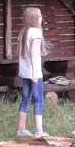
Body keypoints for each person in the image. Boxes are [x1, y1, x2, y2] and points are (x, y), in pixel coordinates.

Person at [16, 7, 49, 138]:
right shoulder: (36, 31)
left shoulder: (23, 32)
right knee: (39, 99)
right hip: (34, 72)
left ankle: (21, 130)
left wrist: (39, 52)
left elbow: (20, 51)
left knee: (26, 99)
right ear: (34, 18)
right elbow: (32, 51)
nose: (41, 18)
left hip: (25, 72)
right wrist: (35, 73)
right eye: (40, 16)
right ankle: (39, 132)